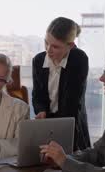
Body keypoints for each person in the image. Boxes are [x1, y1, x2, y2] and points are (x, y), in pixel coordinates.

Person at [32, 17, 90, 151]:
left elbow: (71, 102)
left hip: (71, 124)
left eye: (55, 46)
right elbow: (37, 95)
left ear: (70, 46)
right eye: (46, 43)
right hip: (46, 124)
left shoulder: (79, 59)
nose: (48, 50)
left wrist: (55, 129)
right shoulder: (38, 60)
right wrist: (41, 110)